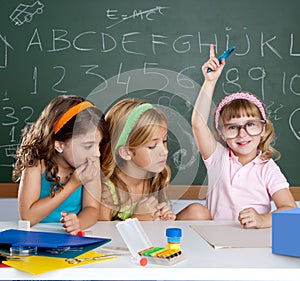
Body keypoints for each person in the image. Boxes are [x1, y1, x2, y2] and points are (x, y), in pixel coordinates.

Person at [192, 44, 297, 228]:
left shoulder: (268, 168)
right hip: (216, 240)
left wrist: (263, 219)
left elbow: (289, 209)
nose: (242, 134)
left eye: (250, 125)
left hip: (252, 242)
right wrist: (209, 82)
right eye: (232, 127)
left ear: (263, 129)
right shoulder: (218, 158)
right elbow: (198, 124)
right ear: (222, 133)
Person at [99, 98, 211, 221]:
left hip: (148, 238)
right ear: (126, 152)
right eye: (152, 146)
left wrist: (163, 218)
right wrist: (139, 218)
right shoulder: (106, 190)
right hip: (122, 239)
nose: (164, 151)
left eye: (164, 141)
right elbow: (105, 236)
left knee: (197, 212)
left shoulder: (154, 178)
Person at [13, 95, 108, 235]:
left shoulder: (90, 160)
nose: (97, 154)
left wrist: (78, 223)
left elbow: (92, 209)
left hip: (72, 238)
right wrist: (73, 184)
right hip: (37, 236)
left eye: (98, 145)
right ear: (59, 145)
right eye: (88, 146)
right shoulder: (36, 163)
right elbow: (28, 217)